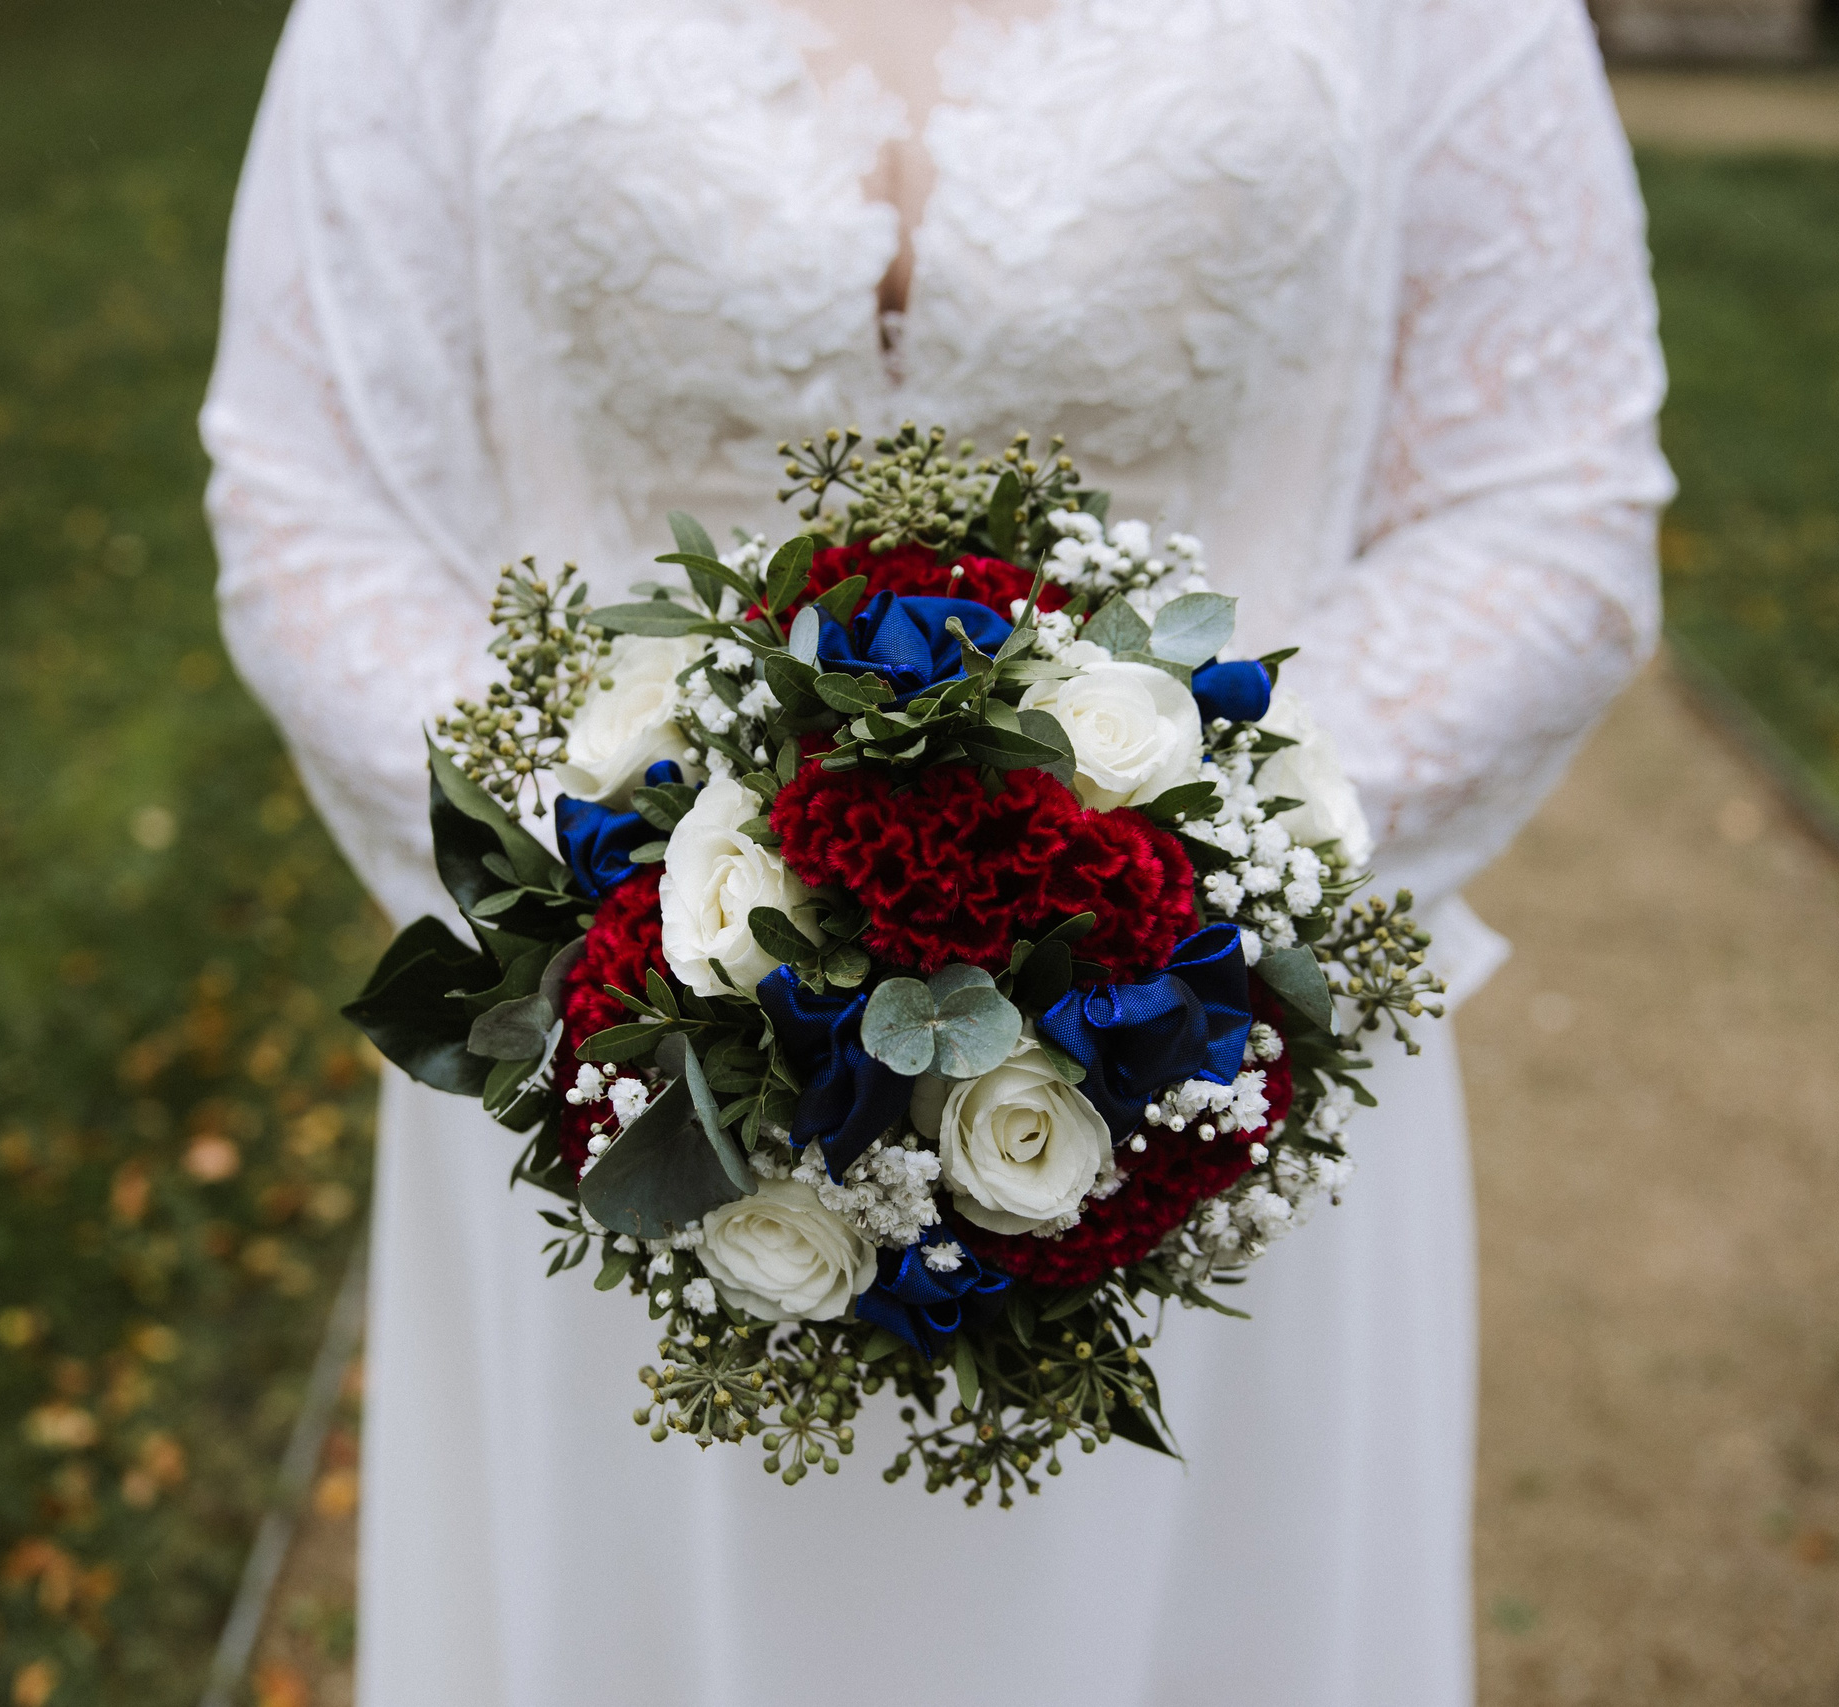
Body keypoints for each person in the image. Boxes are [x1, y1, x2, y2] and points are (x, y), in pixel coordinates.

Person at [200, 0, 1670, 1697]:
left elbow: (1544, 502)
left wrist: (1192, 893)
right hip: (624, 1090)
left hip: (1213, 1072)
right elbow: (312, 492)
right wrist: (628, 919)